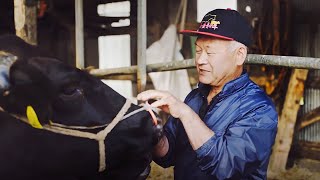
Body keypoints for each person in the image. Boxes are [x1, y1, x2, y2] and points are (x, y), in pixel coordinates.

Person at [137, 8, 278, 180]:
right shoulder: (194, 98)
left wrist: (186, 114)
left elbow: (226, 167)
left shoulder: (259, 108)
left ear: (239, 55)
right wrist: (154, 134)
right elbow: (168, 155)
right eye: (198, 50)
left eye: (210, 52)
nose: (200, 60)